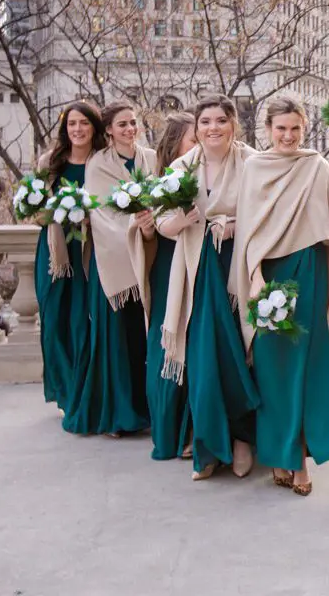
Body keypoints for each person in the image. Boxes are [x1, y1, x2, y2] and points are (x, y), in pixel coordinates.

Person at [228, 97, 329, 496]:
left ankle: (298, 457)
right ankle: (279, 454)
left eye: (295, 129)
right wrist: (253, 277)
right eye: (280, 128)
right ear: (267, 129)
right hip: (268, 277)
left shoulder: (316, 167)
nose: (287, 136)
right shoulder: (253, 168)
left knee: (305, 365)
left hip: (308, 269)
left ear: (305, 128)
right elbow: (248, 231)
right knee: (270, 367)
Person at [158, 95, 260, 481]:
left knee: (238, 352)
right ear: (196, 127)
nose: (213, 128)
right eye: (205, 122)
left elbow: (269, 212)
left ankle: (242, 441)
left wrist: (237, 222)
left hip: (238, 268)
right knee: (204, 359)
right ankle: (208, 447)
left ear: (234, 125)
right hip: (198, 270)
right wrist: (185, 220)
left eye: (221, 120)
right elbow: (164, 224)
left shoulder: (253, 162)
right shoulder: (180, 167)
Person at [67, 102, 156, 437]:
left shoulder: (150, 157)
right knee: (116, 341)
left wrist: (152, 226)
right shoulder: (98, 165)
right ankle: (118, 415)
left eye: (133, 122)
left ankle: (148, 409)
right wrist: (137, 227)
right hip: (113, 265)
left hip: (149, 257)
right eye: (122, 125)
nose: (130, 129)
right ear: (108, 131)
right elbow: (103, 214)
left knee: (144, 340)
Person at [33, 101, 105, 416]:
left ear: (94, 128)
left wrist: (88, 214)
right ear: (65, 128)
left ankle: (83, 394)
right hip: (55, 252)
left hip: (91, 250)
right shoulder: (50, 163)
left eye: (84, 123)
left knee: (82, 323)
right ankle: (64, 391)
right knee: (54, 323)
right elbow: (32, 209)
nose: (77, 129)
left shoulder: (102, 162)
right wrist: (52, 212)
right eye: (72, 124)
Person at [145, 113, 197, 461]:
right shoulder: (162, 181)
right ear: (176, 143)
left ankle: (193, 428)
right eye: (193, 140)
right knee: (166, 341)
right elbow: (147, 234)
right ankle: (168, 428)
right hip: (167, 268)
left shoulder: (212, 175)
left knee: (196, 344)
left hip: (200, 265)